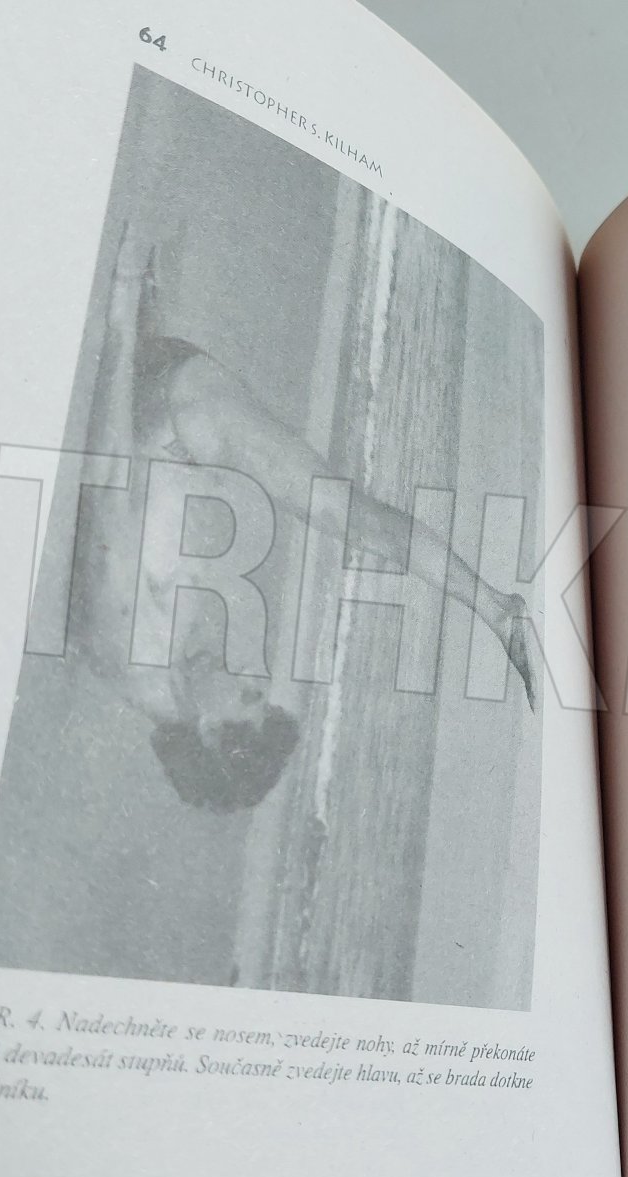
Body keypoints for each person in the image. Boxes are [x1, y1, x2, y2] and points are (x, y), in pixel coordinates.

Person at [71, 224, 536, 813]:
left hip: (171, 405)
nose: (252, 674)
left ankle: (499, 611)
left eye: (248, 696)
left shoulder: (132, 643)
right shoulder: (161, 684)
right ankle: (497, 611)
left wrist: (122, 308)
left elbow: (108, 474)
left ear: (210, 733)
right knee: (340, 513)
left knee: (344, 514)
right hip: (169, 412)